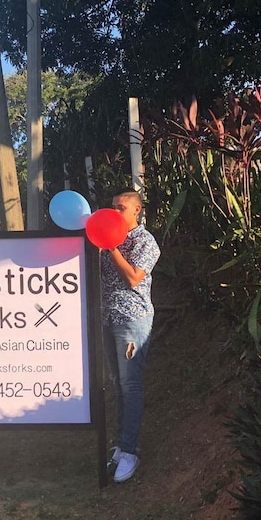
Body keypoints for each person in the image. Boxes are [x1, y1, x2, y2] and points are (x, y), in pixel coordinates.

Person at [101, 188, 160, 483]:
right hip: (108, 319)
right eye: (113, 207)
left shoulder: (144, 241)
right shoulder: (107, 239)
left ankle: (130, 451)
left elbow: (134, 278)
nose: (115, 212)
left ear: (137, 210)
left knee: (131, 385)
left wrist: (112, 248)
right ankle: (121, 443)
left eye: (121, 208)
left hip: (132, 321)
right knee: (118, 384)